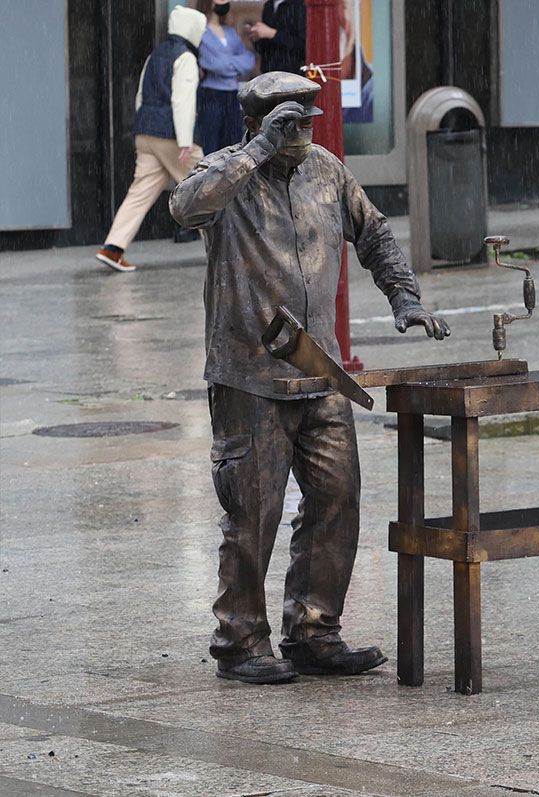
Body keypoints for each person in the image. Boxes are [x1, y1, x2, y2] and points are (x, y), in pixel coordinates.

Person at [170, 72, 450, 685]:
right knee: (252, 511)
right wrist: (256, 151)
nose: (300, 135)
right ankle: (239, 641)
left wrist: (405, 298)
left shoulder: (327, 171)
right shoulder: (228, 171)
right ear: (257, 121)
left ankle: (314, 629)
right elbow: (184, 206)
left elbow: (374, 233)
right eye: (286, 123)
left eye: (306, 121)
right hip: (249, 376)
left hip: (320, 373)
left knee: (336, 497)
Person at [94, 5, 206, 273]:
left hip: (145, 132)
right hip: (171, 135)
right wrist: (185, 140)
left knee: (140, 191)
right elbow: (182, 102)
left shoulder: (155, 55)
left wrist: (144, 127)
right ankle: (230, 251)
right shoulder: (186, 58)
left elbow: (140, 98)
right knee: (206, 188)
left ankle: (113, 247)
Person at [196, 0, 256, 155]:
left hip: (232, 94)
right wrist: (233, 63)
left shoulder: (230, 32)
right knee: (210, 144)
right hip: (211, 93)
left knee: (233, 144)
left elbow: (248, 60)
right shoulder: (201, 32)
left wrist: (224, 63)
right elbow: (214, 64)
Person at [249, 0, 306, 75]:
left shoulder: (300, 5)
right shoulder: (268, 5)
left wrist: (273, 34)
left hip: (293, 73)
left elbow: (304, 46)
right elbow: (266, 49)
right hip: (269, 72)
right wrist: (256, 39)